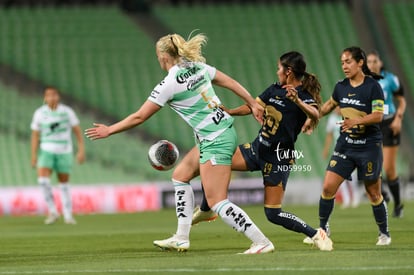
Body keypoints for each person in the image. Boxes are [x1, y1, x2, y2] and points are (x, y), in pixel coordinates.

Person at [85, 32, 275, 254]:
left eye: (158, 56)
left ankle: (261, 241)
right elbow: (229, 82)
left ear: (164, 57)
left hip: (216, 140)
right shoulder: (197, 67)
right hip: (218, 133)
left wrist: (110, 130)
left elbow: (139, 116)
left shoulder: (170, 83)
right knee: (180, 176)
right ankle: (181, 237)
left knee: (217, 201)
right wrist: (251, 103)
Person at [162, 51, 334, 251]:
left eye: (279, 68)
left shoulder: (304, 95)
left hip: (278, 159)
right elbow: (254, 106)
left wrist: (297, 101)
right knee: (212, 162)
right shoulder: (274, 89)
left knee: (273, 213)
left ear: (288, 72)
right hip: (256, 149)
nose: (276, 71)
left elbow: (315, 114)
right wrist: (231, 111)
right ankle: (208, 209)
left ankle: (315, 233)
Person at [310, 46, 390, 246]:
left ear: (360, 62)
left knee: (374, 193)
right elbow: (329, 105)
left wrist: (356, 121)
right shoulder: (341, 86)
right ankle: (323, 229)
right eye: (342, 62)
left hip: (369, 146)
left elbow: (378, 115)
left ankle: (384, 233)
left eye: (348, 62)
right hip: (346, 146)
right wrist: (313, 117)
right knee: (328, 187)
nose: (344, 66)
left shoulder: (373, 86)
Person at [31, 86, 85, 225]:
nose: (51, 97)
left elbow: (77, 131)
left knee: (64, 183)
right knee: (43, 181)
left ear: (58, 96)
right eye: (48, 95)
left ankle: (68, 215)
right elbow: (35, 135)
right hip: (46, 150)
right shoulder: (39, 113)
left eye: (54, 95)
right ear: (45, 97)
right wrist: (33, 155)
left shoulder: (67, 112)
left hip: (64, 150)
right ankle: (53, 211)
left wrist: (81, 150)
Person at [367, 50, 406, 218]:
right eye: (369, 61)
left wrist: (398, 119)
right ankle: (383, 192)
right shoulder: (363, 81)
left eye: (375, 61)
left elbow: (402, 100)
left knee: (389, 168)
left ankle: (398, 204)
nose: (372, 64)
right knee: (369, 165)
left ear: (380, 63)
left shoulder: (390, 79)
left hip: (389, 122)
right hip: (371, 124)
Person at [322, 107, 359, 209]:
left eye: (338, 107)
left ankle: (355, 197)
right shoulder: (332, 119)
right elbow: (329, 135)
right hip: (338, 150)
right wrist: (326, 150)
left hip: (350, 149)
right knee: (337, 174)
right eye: (334, 107)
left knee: (352, 176)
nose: (336, 109)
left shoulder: (348, 117)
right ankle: (346, 199)